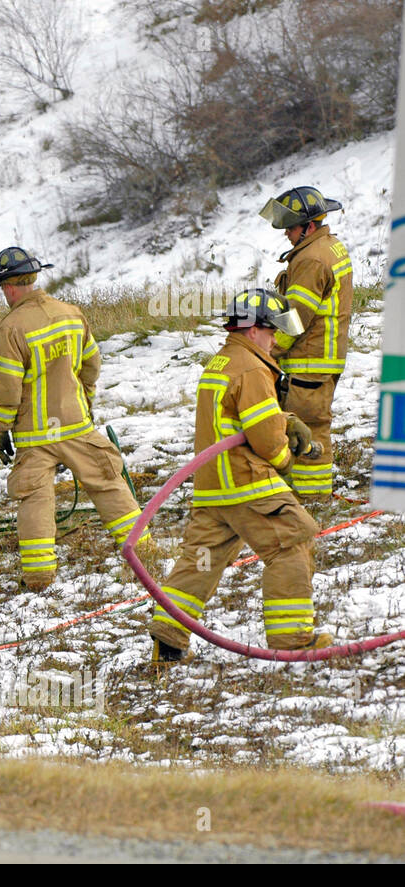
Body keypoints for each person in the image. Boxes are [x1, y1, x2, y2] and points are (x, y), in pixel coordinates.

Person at [147, 289, 332, 662]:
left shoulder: (222, 362)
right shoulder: (252, 369)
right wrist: (285, 458)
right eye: (271, 331)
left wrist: (284, 420)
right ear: (252, 330)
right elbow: (266, 441)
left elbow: (236, 421)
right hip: (246, 483)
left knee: (203, 558)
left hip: (213, 487)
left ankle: (168, 635)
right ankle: (293, 641)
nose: (275, 339)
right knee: (293, 540)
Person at [0, 246, 148, 591]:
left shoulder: (12, 327)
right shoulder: (71, 313)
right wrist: (84, 399)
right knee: (108, 482)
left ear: (9, 287)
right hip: (75, 425)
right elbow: (91, 365)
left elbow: (8, 391)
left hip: (34, 437)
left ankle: (40, 577)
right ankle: (144, 550)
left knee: (35, 499)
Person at [260, 186, 353, 499]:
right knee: (307, 424)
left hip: (309, 361)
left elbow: (295, 318)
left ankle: (312, 498)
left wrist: (267, 350)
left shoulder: (311, 260)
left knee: (308, 427)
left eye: (291, 227)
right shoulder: (329, 246)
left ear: (309, 226)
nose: (286, 233)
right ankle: (307, 492)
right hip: (322, 357)